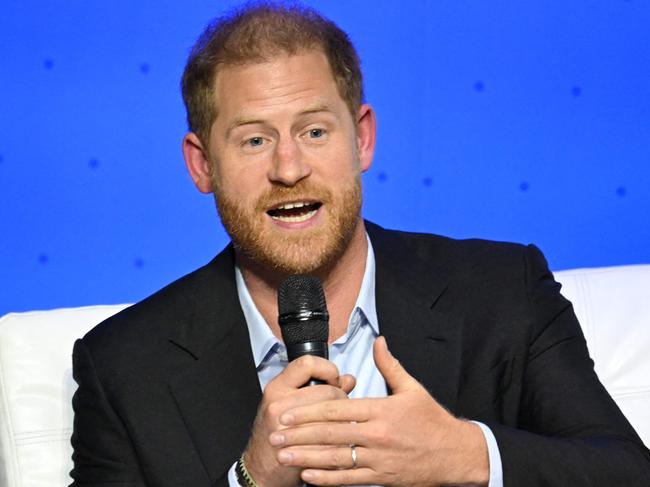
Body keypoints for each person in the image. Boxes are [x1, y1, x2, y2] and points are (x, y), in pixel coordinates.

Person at [69, 3, 650, 487]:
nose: (288, 168)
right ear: (202, 165)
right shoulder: (122, 367)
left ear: (362, 139)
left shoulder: (503, 290)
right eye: (253, 140)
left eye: (314, 131)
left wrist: (468, 455)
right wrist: (251, 478)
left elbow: (627, 471)